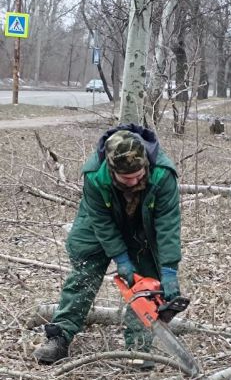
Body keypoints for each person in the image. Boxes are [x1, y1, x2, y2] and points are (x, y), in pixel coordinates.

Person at [35, 123, 181, 367]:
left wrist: (169, 269)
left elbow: (168, 224)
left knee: (146, 284)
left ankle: (138, 349)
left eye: (139, 175)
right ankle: (59, 336)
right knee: (85, 273)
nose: (134, 181)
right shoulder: (94, 175)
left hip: (143, 226)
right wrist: (121, 258)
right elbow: (102, 223)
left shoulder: (163, 174)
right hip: (99, 223)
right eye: (127, 178)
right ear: (112, 171)